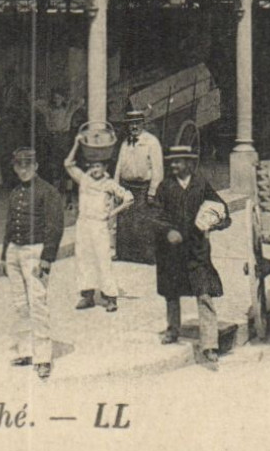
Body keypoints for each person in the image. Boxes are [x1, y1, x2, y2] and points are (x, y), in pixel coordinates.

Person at [151, 145, 230, 366]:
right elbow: (156, 215)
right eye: (172, 162)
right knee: (171, 292)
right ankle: (172, 330)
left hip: (197, 249)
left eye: (178, 161)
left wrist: (216, 223)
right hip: (172, 250)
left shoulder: (200, 184)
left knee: (204, 293)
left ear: (189, 163)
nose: (173, 165)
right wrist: (168, 230)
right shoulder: (164, 186)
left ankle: (210, 345)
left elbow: (221, 209)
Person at [2, 147, 65, 379]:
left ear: (36, 166)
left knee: (37, 304)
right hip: (14, 252)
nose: (24, 169)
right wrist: (4, 255)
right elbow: (9, 225)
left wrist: (47, 258)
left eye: (28, 165)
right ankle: (26, 350)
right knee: (20, 304)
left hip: (35, 252)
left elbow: (55, 227)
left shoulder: (48, 192)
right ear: (15, 167)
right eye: (19, 165)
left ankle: (43, 357)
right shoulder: (16, 192)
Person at [64, 129, 133, 311]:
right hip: (83, 223)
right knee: (83, 259)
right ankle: (87, 295)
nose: (95, 170)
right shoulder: (84, 179)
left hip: (99, 225)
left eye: (98, 167)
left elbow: (129, 198)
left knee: (103, 259)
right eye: (92, 166)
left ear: (105, 168)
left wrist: (112, 213)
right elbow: (68, 164)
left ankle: (110, 297)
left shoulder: (108, 184)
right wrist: (77, 143)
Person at [113, 107, 165, 264]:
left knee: (144, 221)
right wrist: (115, 188)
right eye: (131, 124)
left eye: (137, 123)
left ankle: (147, 256)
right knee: (125, 221)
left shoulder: (151, 142)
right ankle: (124, 254)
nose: (134, 127)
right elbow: (119, 166)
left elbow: (157, 168)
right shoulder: (125, 143)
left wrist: (153, 190)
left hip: (143, 187)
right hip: (126, 186)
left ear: (143, 124)